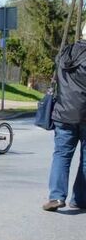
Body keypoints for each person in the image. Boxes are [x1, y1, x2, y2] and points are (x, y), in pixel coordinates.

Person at [44, 33, 86, 212]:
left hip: (62, 113)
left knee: (61, 154)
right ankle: (79, 199)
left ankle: (56, 196)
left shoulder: (64, 53)